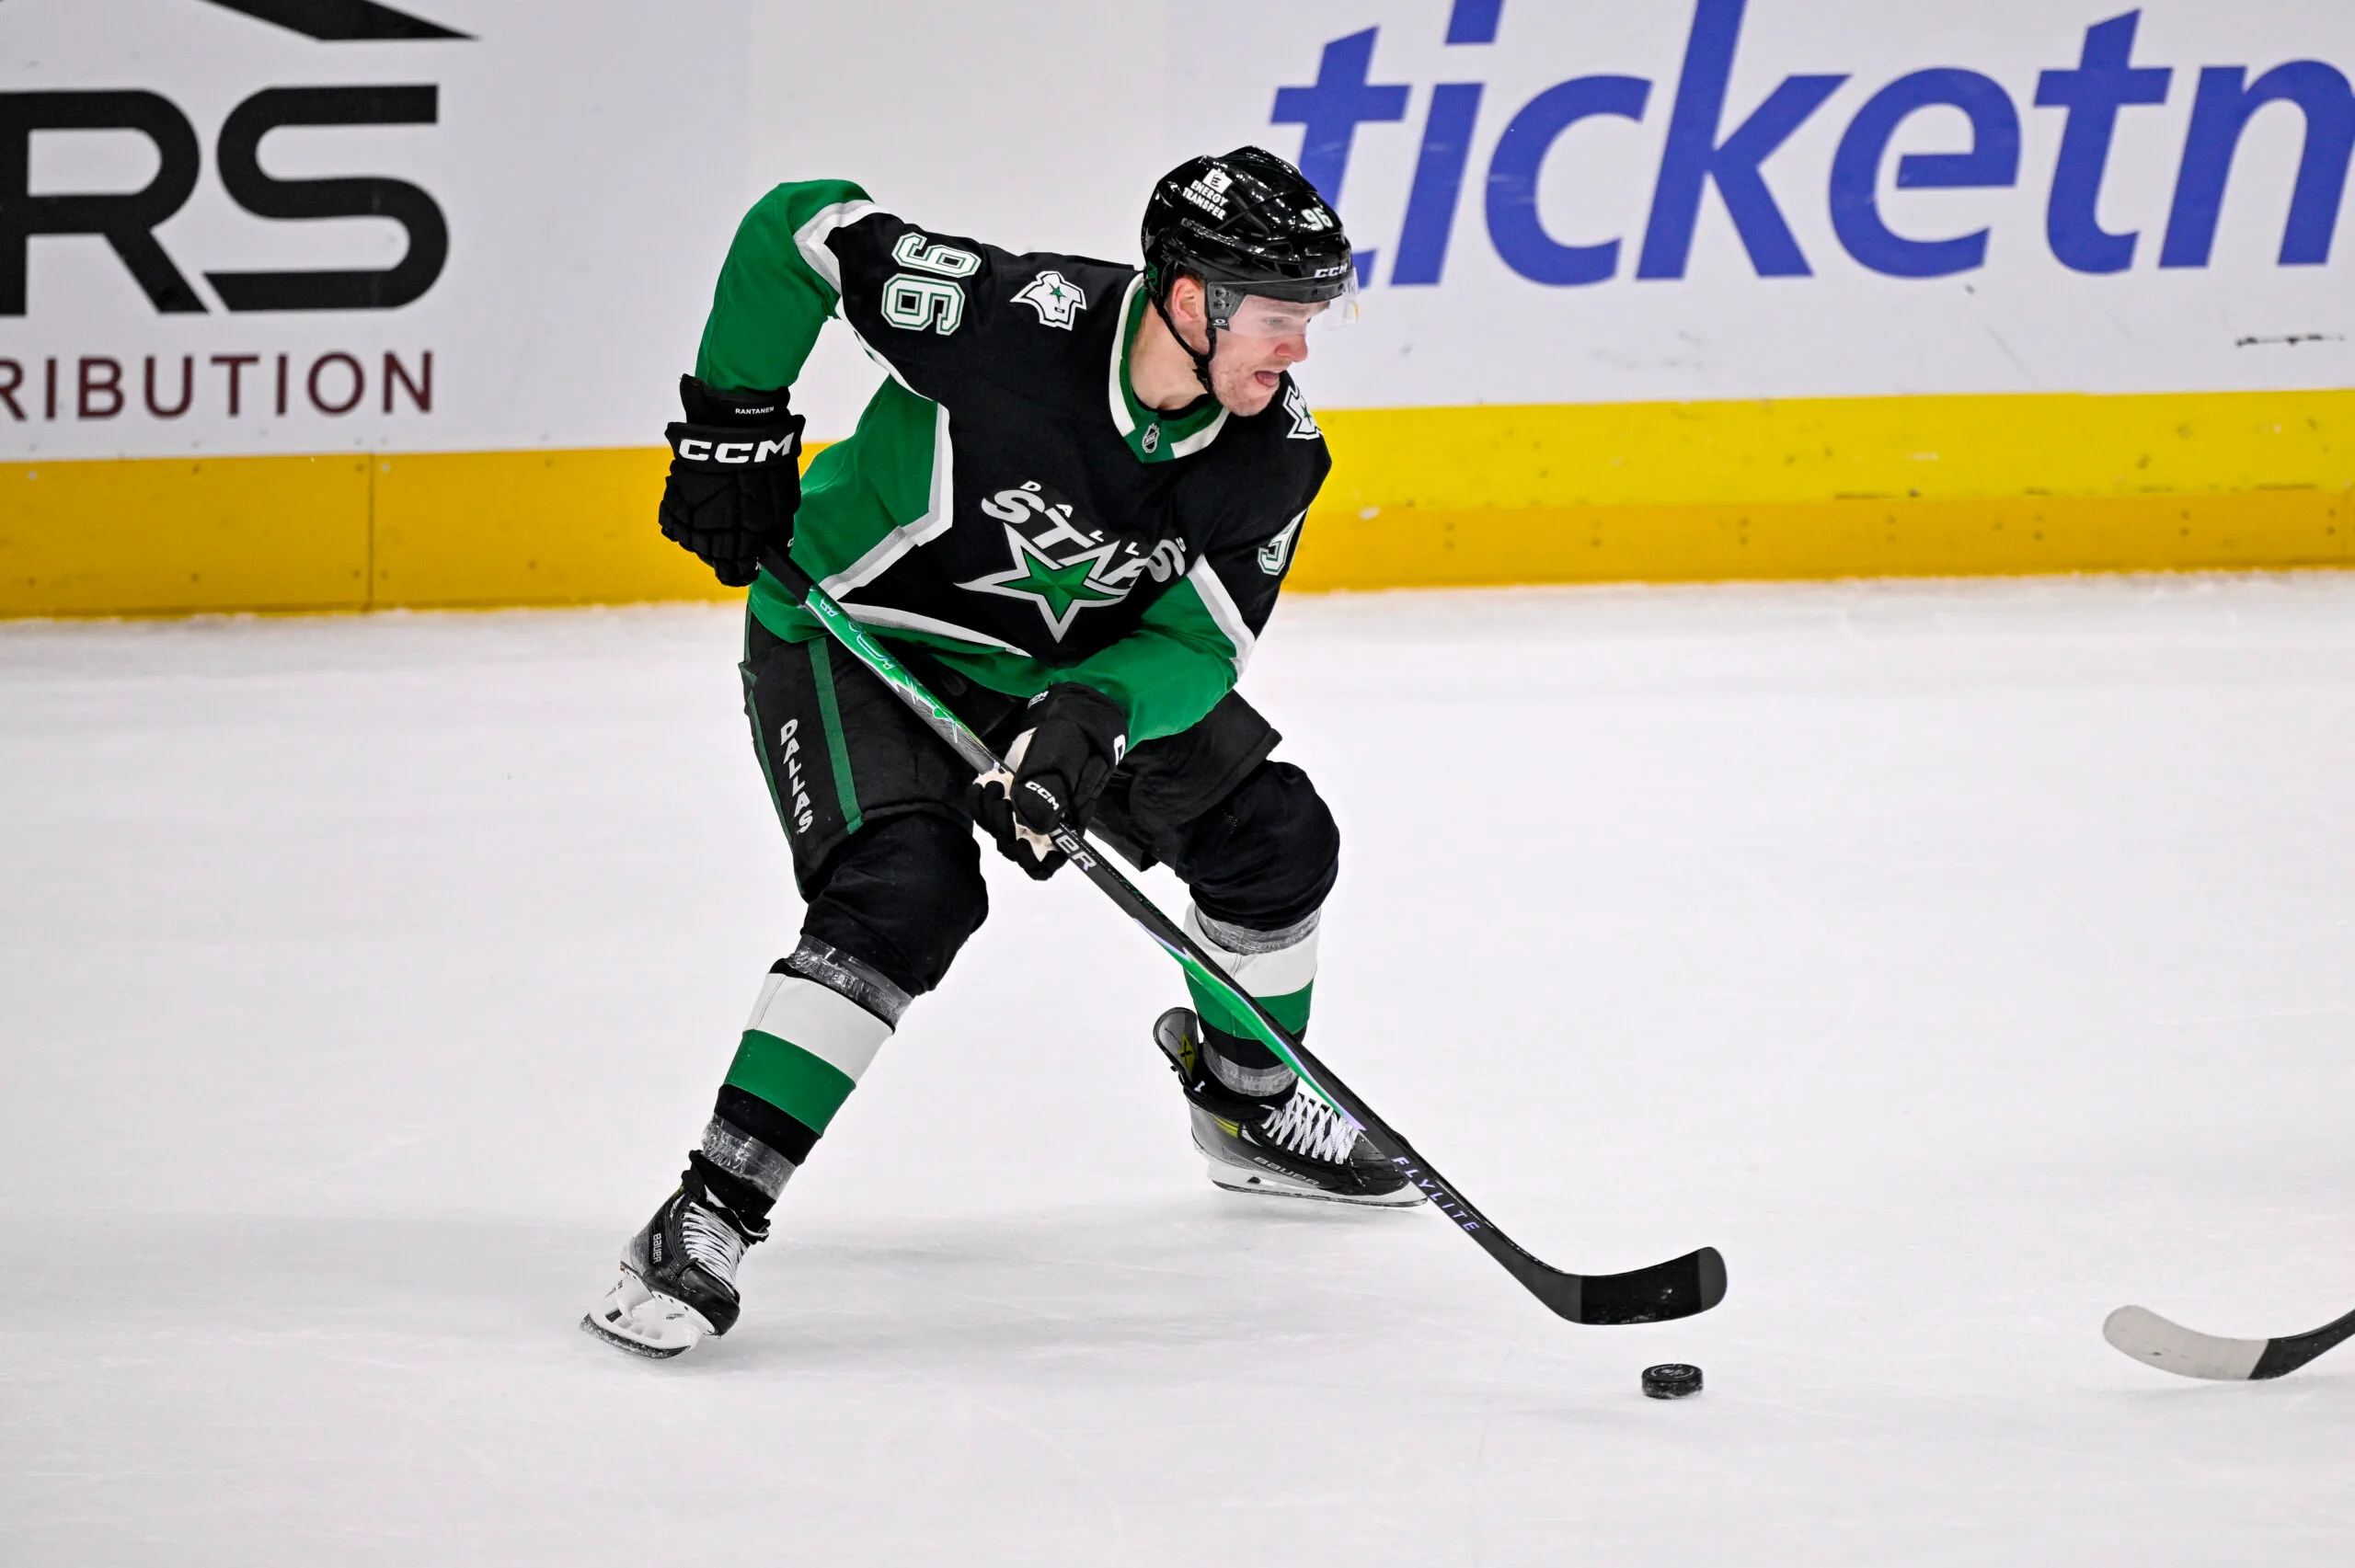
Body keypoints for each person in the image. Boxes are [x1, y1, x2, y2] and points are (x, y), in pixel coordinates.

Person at [583, 146, 1419, 1361]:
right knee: (906, 893)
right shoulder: (1005, 320)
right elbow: (796, 229)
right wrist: (733, 429)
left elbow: (1200, 641)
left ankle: (1249, 1104)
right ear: (1193, 300)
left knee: (1274, 838)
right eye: (1279, 318)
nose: (1298, 350)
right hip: (859, 636)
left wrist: (1093, 715)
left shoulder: (1273, 454)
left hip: (1056, 677)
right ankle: (708, 1211)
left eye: (1311, 318)